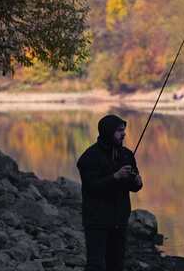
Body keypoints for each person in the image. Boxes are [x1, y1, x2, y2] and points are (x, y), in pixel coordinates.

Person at [77, 114, 143, 271]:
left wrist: (137, 182)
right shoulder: (89, 157)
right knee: (96, 264)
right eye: (119, 131)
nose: (123, 134)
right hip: (96, 219)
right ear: (108, 132)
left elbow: (133, 187)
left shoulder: (127, 155)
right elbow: (92, 187)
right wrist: (115, 176)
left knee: (116, 264)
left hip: (119, 219)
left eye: (124, 130)